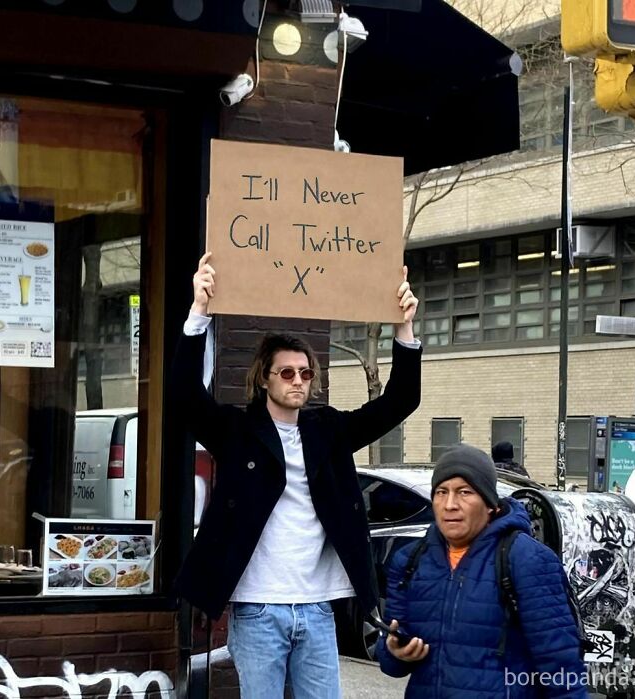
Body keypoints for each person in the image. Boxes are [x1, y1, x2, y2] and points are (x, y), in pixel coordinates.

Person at [173, 252, 421, 699]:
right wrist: (199, 312)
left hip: (317, 608)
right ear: (264, 379)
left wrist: (403, 328)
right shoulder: (236, 431)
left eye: (305, 372)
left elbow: (398, 402)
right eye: (286, 372)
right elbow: (184, 396)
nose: (298, 380)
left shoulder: (328, 431)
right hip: (258, 607)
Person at [376, 444, 588, 698]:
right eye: (441, 492)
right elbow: (390, 660)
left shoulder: (527, 560)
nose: (450, 504)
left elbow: (561, 666)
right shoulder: (410, 561)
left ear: (490, 504)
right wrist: (394, 652)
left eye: (464, 492)